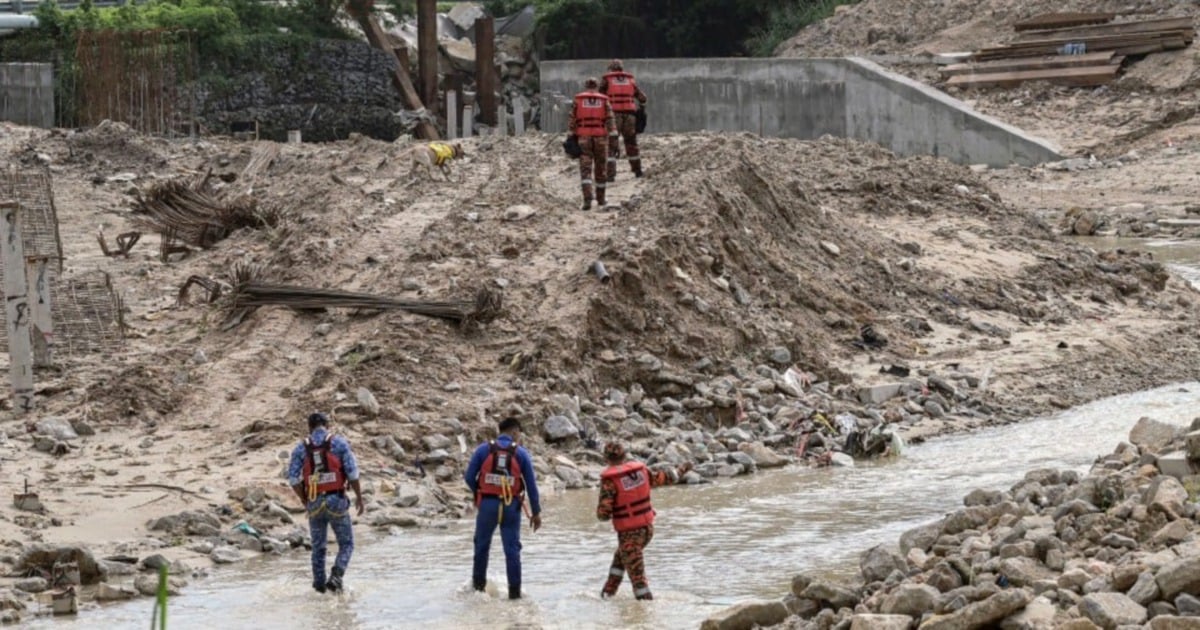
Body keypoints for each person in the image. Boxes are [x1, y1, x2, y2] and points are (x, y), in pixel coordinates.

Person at [597, 442, 691, 601]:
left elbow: (603, 515)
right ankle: (607, 595)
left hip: (629, 535)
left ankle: (646, 615)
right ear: (625, 456)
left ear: (606, 458)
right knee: (619, 561)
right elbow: (666, 478)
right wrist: (682, 469)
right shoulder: (641, 471)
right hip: (647, 529)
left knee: (639, 582)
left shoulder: (610, 481)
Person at [465, 416, 543, 599]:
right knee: (512, 550)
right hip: (511, 507)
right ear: (515, 431)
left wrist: (480, 493)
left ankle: (478, 590)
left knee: (481, 546)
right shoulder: (521, 454)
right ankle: (515, 596)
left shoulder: (483, 450)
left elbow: (469, 477)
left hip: (487, 506)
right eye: (519, 434)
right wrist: (536, 513)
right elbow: (531, 486)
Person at [288, 411, 364, 594]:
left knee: (318, 547)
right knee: (346, 544)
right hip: (336, 499)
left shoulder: (301, 448)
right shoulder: (339, 443)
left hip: (314, 502)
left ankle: (319, 587)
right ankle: (336, 576)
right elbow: (352, 474)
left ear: (309, 427)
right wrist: (359, 497)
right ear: (327, 425)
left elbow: (293, 479)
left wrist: (305, 499)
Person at [567, 77, 616, 211]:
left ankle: (587, 200)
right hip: (601, 137)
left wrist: (570, 136)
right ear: (597, 86)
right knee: (601, 168)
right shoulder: (604, 100)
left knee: (585, 169)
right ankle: (601, 200)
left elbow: (572, 119)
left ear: (585, 86)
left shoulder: (578, 100)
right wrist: (614, 137)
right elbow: (610, 120)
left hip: (584, 138)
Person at [599, 59, 648, 180]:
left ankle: (610, 175)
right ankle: (637, 171)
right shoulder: (630, 79)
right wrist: (641, 108)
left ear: (611, 69)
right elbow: (643, 98)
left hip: (614, 117)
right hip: (630, 116)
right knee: (631, 143)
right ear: (621, 68)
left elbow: (600, 96)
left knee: (611, 145)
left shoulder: (607, 79)